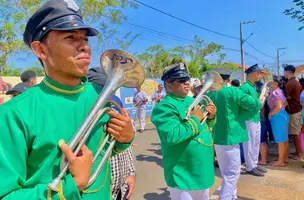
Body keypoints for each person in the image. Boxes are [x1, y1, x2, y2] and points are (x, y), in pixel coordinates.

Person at [0, 1, 135, 199]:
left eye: (86, 39)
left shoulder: (102, 96)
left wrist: (125, 139)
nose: (85, 47)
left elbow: (102, 154)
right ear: (40, 50)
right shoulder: (14, 113)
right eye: (71, 37)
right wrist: (70, 186)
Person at [151, 63, 217, 200]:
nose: (187, 83)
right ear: (169, 85)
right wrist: (195, 120)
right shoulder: (164, 107)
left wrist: (211, 117)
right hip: (183, 172)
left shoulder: (191, 100)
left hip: (202, 169)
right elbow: (171, 136)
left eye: (187, 79)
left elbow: (204, 125)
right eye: (181, 81)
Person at [207, 68, 260, 200]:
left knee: (226, 172)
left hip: (218, 137)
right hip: (231, 137)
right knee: (232, 173)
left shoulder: (210, 93)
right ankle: (225, 197)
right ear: (228, 80)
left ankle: (232, 196)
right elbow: (254, 103)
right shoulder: (232, 91)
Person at [87, 67, 136, 200]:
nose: (107, 92)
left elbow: (125, 142)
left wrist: (131, 173)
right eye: (101, 88)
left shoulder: (116, 102)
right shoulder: (85, 107)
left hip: (121, 185)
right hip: (98, 187)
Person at [240, 64, 267, 177]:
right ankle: (250, 166)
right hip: (248, 118)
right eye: (258, 73)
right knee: (249, 144)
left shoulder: (253, 87)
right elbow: (241, 103)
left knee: (256, 142)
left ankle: (254, 164)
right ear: (250, 74)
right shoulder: (244, 87)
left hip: (255, 117)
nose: (259, 75)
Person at [267, 76, 290, 166]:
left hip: (278, 116)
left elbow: (279, 106)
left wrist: (271, 113)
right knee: (284, 139)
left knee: (280, 139)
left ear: (275, 83)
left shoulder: (275, 92)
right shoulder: (280, 91)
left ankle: (280, 161)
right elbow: (285, 103)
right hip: (283, 115)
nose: (269, 82)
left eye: (271, 80)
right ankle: (284, 158)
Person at [284, 65, 303, 161]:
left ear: (287, 72)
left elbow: (286, 98)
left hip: (294, 111)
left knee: (295, 133)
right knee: (295, 132)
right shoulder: (296, 82)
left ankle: (298, 155)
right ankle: (297, 152)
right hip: (297, 109)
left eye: (284, 71)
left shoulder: (290, 83)